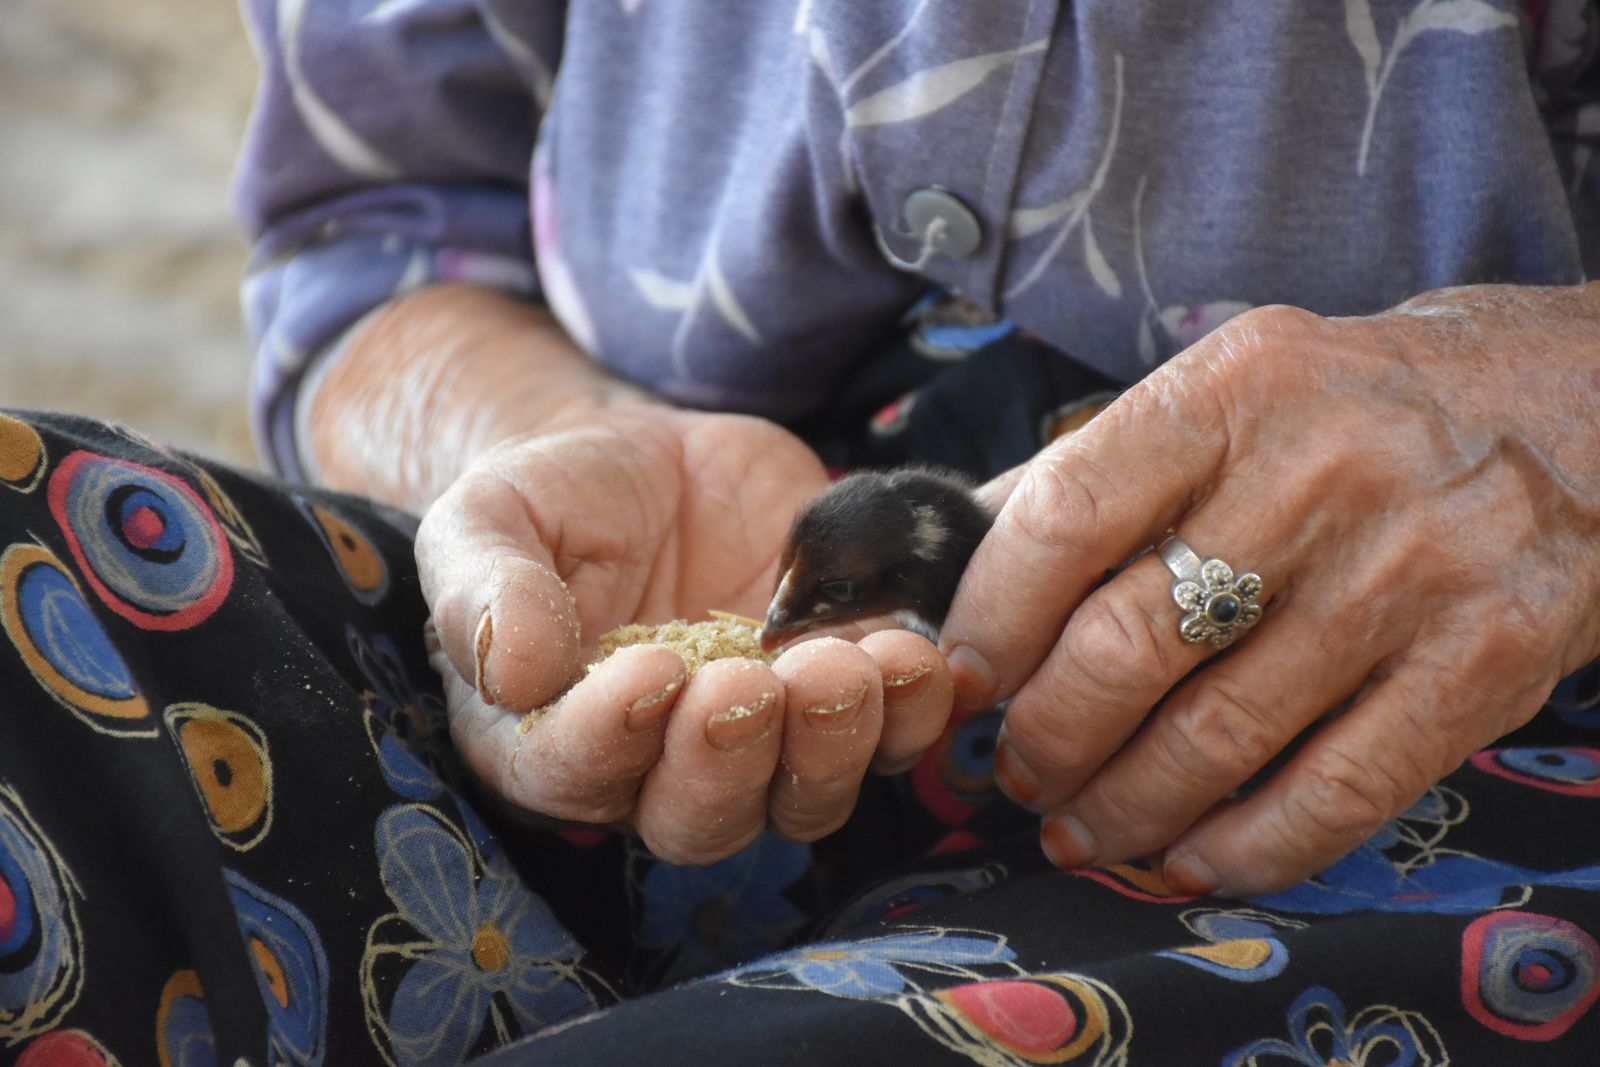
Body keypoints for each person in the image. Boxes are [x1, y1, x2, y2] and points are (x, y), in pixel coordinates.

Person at [4, 1, 1598, 1063]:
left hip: (1479, 669)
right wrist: (543, 461)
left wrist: (1552, 417)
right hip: (670, 506)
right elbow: (378, 232)